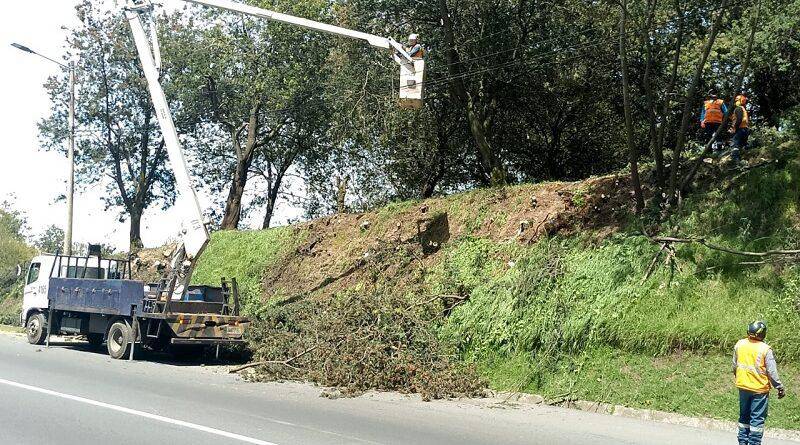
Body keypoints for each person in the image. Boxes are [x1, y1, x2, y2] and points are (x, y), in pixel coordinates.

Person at [733, 321, 785, 445]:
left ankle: (742, 442)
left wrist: (739, 377)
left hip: (743, 387)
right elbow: (771, 371)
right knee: (756, 420)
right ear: (762, 334)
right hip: (759, 390)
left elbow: (735, 365)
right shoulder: (765, 349)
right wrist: (779, 386)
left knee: (744, 417)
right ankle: (754, 443)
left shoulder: (740, 344)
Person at [729, 94, 751, 162]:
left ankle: (736, 161)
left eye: (737, 100)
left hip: (740, 129)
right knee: (743, 145)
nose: (736, 102)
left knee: (735, 145)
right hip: (745, 129)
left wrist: (734, 128)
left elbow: (739, 119)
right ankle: (747, 160)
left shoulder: (738, 109)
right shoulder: (743, 109)